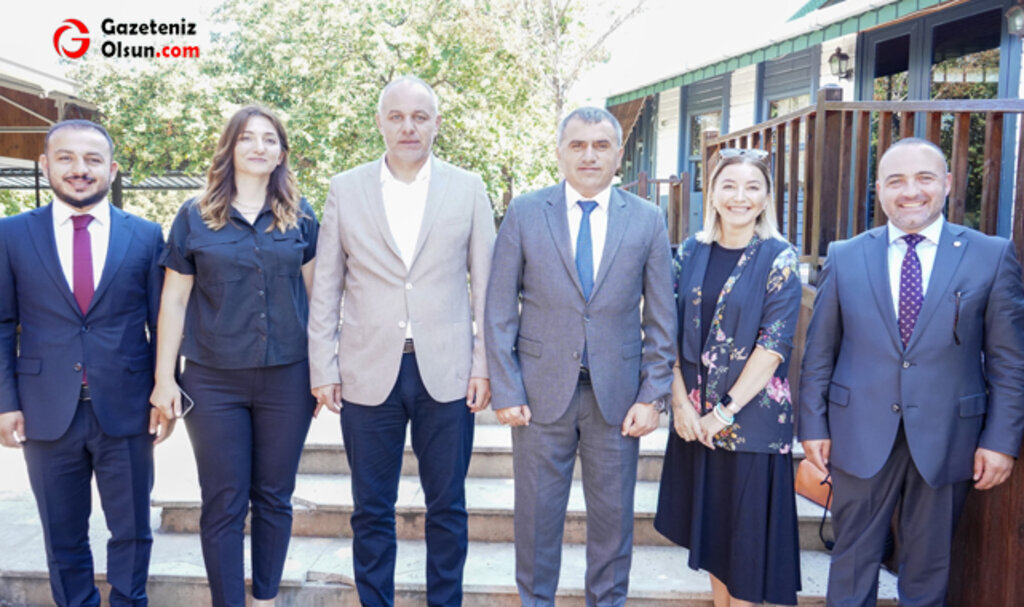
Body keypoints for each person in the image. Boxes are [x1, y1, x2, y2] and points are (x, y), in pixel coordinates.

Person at [799, 137, 1024, 607]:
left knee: (929, 569)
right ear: (879, 189)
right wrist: (813, 426)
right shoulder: (845, 255)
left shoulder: (991, 255)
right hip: (857, 432)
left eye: (924, 178)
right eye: (896, 180)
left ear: (947, 183)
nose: (911, 192)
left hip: (949, 436)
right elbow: (820, 352)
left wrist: (1001, 441)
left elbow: (1009, 361)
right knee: (851, 563)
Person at [307, 75, 495, 607]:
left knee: (448, 508)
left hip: (448, 372)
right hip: (366, 371)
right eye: (397, 116)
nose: (408, 127)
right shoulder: (346, 188)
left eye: (420, 116)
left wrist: (483, 364)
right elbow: (326, 287)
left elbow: (487, 288)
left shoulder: (469, 187)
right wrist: (323, 366)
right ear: (380, 123)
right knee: (370, 509)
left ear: (437, 123)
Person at [484, 106, 675, 606]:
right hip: (538, 396)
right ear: (560, 153)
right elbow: (499, 309)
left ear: (618, 154)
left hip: (618, 401)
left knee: (613, 526)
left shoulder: (648, 220)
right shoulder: (526, 213)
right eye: (578, 145)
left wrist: (652, 396)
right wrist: (506, 387)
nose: (589, 155)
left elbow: (662, 319)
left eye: (600, 145)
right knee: (535, 522)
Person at [149, 105, 319, 607]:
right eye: (247, 137)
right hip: (212, 381)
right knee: (223, 501)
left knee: (274, 497)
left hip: (287, 379)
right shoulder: (194, 214)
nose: (258, 146)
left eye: (269, 139)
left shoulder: (302, 215)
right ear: (230, 147)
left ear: (282, 153)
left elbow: (318, 299)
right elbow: (174, 301)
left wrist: (325, 371)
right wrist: (164, 380)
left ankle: (265, 599)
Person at [0, 120, 170, 607]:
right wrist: (5, 402)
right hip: (44, 409)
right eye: (67, 158)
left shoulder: (145, 235)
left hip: (128, 408)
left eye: (93, 159)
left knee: (132, 530)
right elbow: (2, 322)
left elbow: (162, 324)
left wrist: (165, 392)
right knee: (62, 533)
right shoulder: (11, 234)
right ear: (45, 165)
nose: (80, 169)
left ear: (112, 170)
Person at [654, 148, 803, 607]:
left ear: (766, 197)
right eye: (729, 185)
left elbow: (773, 346)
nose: (740, 196)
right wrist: (680, 404)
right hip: (693, 424)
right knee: (716, 548)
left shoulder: (779, 257)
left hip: (750, 426)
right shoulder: (689, 252)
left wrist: (722, 413)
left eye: (752, 187)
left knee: (746, 559)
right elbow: (664, 330)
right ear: (713, 194)